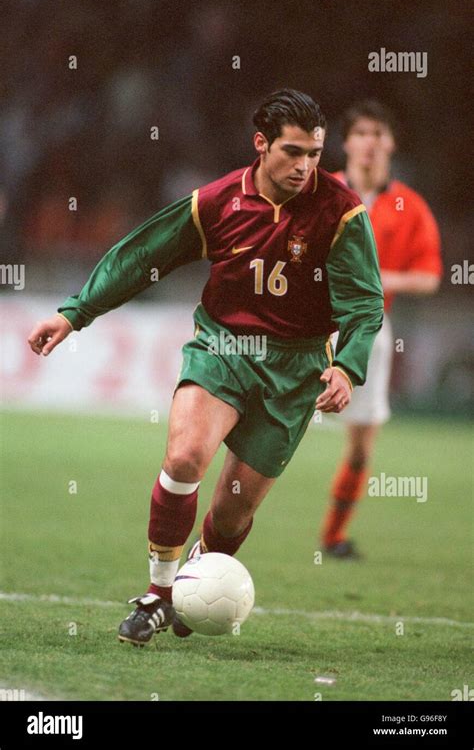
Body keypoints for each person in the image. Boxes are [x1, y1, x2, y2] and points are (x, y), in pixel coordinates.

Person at [28, 89, 384, 646]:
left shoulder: (341, 211)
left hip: (295, 372)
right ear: (260, 145)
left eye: (315, 153)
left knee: (232, 516)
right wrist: (76, 313)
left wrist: (348, 369)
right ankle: (158, 597)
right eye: (293, 152)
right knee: (186, 455)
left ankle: (202, 570)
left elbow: (363, 303)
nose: (306, 166)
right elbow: (144, 256)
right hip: (223, 348)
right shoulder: (218, 202)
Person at [320, 100, 442, 559]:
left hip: (370, 328)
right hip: (311, 322)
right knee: (271, 425)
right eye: (362, 133)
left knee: (360, 442)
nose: (370, 142)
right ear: (347, 142)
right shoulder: (322, 190)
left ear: (390, 142)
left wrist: (375, 278)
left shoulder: (408, 206)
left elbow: (429, 277)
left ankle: (333, 536)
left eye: (379, 133)